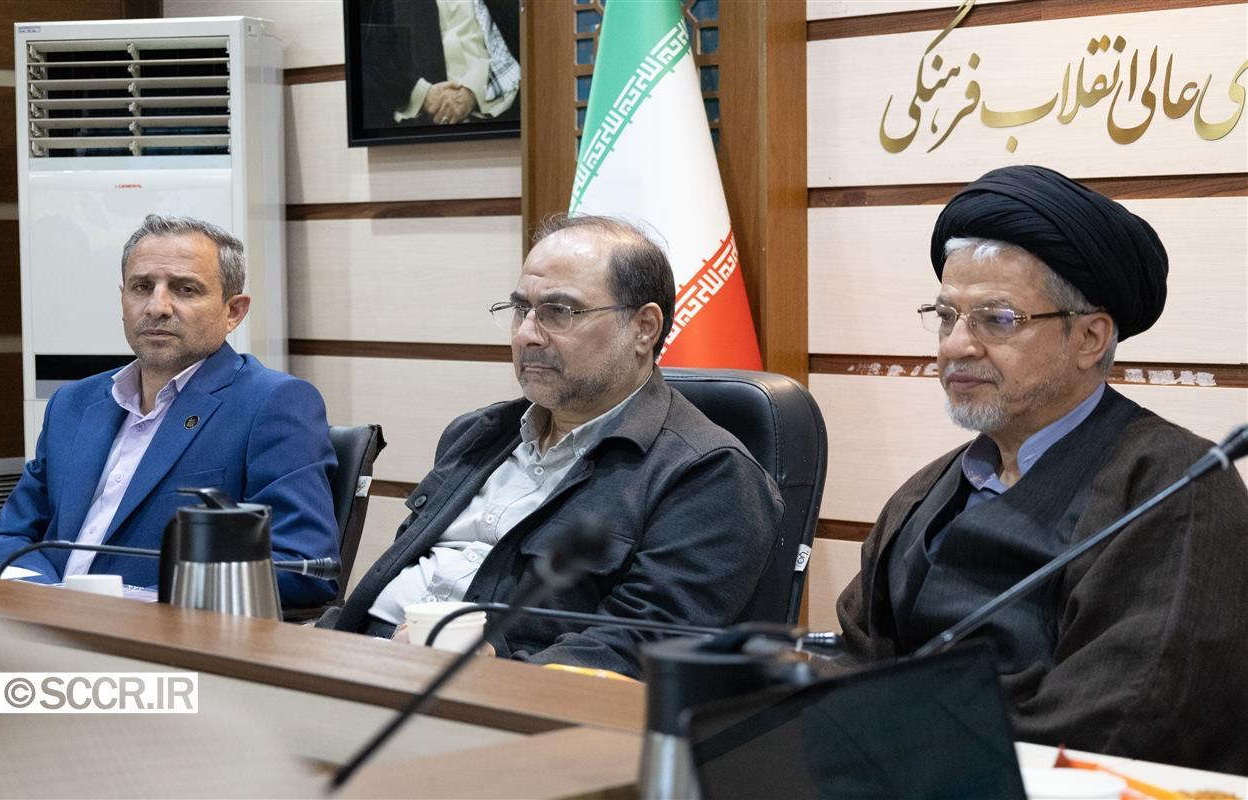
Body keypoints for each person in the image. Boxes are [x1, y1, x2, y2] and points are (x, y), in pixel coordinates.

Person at [835, 165, 1248, 773]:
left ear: (1089, 338)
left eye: (997, 319)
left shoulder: (1175, 488)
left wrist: (902, 737)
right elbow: (850, 662)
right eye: (946, 316)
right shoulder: (925, 493)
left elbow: (1121, 721)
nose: (955, 346)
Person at [326, 215, 784, 678]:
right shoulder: (478, 433)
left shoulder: (709, 475)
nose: (526, 334)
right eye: (520, 309)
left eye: (558, 312)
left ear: (644, 328)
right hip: (360, 659)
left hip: (500, 697)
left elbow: (643, 645)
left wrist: (497, 673)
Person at [0, 215, 340, 607]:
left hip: (163, 633)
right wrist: (53, 601)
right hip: (44, 622)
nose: (157, 306)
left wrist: (139, 603)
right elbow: (7, 540)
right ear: (123, 299)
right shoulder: (73, 404)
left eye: (185, 289)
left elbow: (303, 567)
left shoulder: (272, 404)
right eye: (142, 287)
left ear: (233, 311)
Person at [360, 0, 520, 129]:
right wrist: (422, 94)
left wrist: (473, 91)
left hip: (496, 122)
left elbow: (516, 49)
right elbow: (369, 58)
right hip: (412, 132)